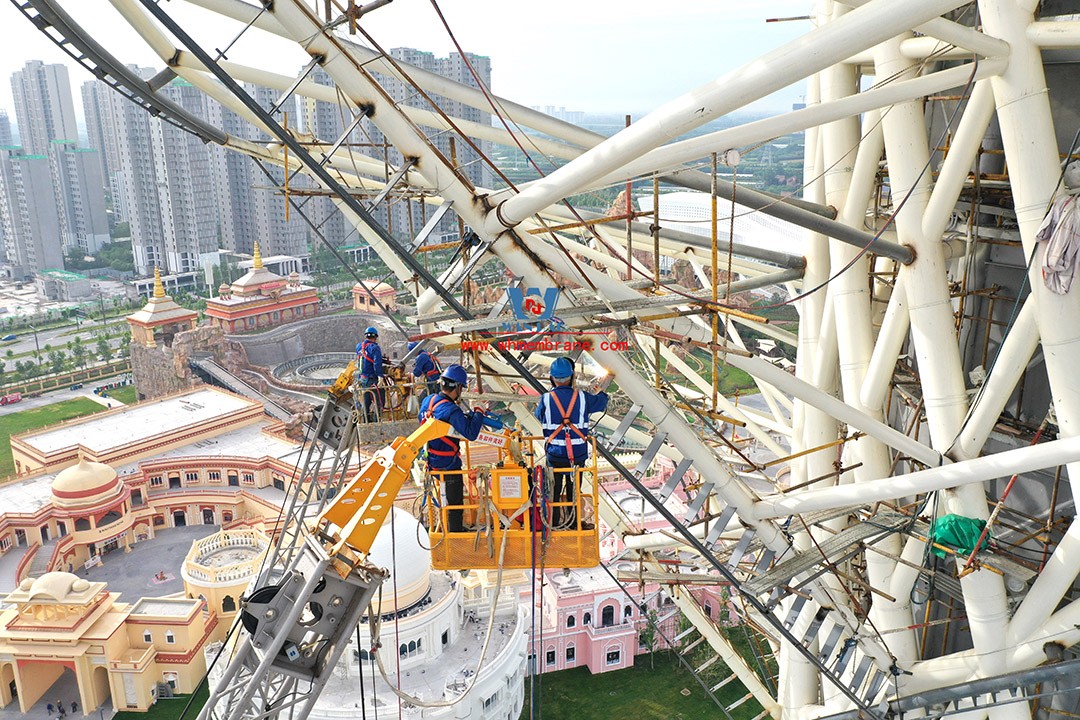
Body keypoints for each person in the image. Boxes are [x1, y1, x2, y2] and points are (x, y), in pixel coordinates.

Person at [535, 357, 609, 529]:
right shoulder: (582, 398)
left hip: (554, 454)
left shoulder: (546, 399)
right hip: (577, 455)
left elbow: (540, 416)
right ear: (572, 376)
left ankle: (553, 523)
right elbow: (601, 403)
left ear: (552, 378)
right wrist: (602, 392)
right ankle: (573, 523)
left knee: (553, 489)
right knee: (573, 489)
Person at [418, 365, 486, 532]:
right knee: (454, 503)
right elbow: (470, 433)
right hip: (449, 465)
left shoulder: (429, 401)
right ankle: (455, 534)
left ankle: (445, 529)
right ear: (457, 387)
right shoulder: (452, 410)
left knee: (443, 501)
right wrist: (478, 413)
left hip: (432, 462)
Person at [356, 327, 384, 422]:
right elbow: (377, 363)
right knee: (380, 401)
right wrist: (380, 376)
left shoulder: (359, 346)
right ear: (375, 337)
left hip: (362, 379)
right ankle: (377, 421)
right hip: (372, 379)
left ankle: (366, 421)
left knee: (366, 402)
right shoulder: (375, 348)